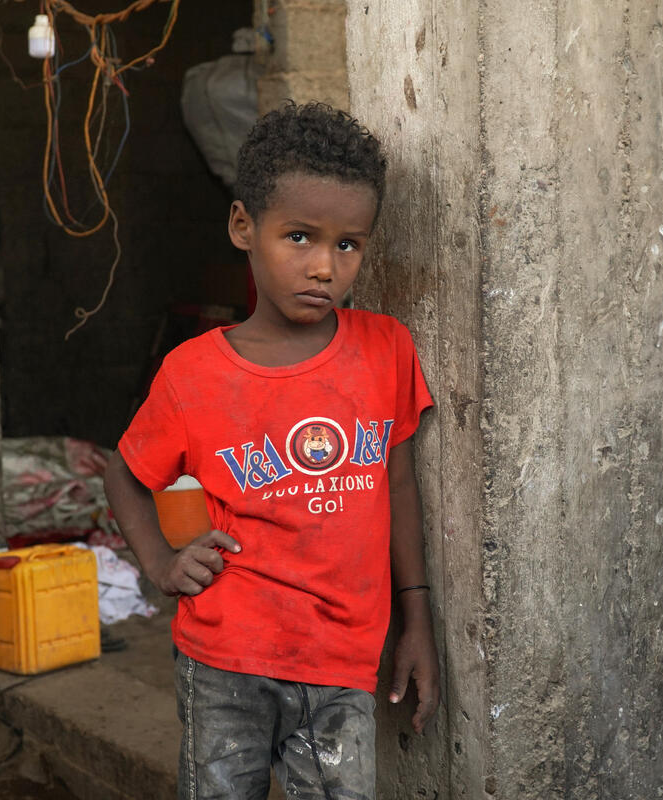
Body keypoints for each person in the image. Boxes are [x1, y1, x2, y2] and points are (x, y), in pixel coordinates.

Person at [104, 101, 440, 800]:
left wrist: (417, 619)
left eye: (348, 244)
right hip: (225, 658)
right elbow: (127, 474)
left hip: (343, 661)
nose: (323, 266)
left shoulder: (386, 351)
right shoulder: (193, 374)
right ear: (242, 228)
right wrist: (162, 564)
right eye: (298, 237)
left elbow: (399, 489)